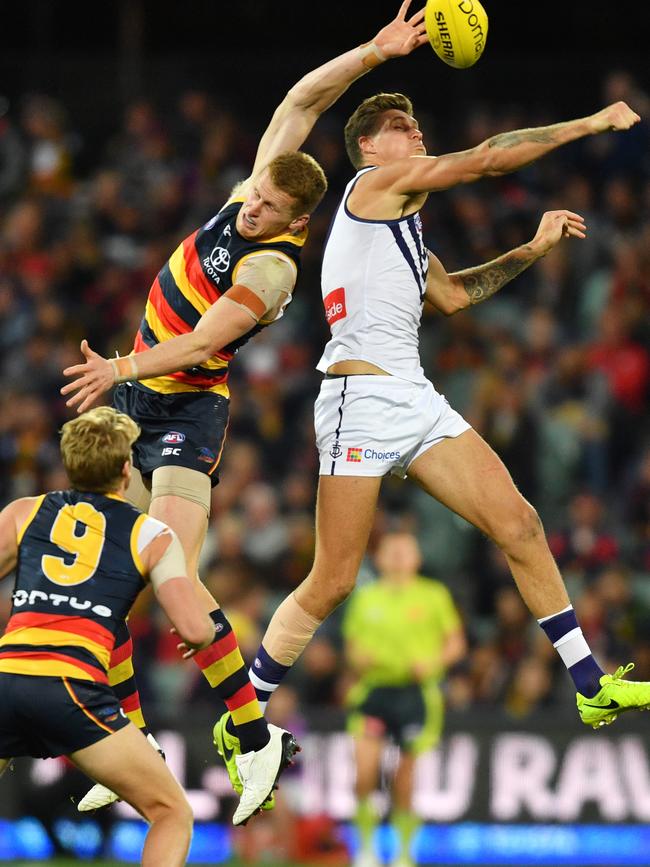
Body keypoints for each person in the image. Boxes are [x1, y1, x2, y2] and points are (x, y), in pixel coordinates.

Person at [60, 1, 430, 810]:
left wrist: (119, 363)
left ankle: (254, 741)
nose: (249, 209)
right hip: (134, 395)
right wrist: (372, 51)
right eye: (253, 195)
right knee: (113, 580)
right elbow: (299, 104)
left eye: (265, 209)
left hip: (186, 415)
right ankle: (135, 734)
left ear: (296, 223)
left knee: (171, 579)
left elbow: (197, 344)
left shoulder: (274, 273)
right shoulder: (257, 191)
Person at [236, 90, 650, 747]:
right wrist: (591, 122)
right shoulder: (374, 184)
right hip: (359, 401)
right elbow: (488, 160)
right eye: (402, 126)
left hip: (414, 397)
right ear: (370, 146)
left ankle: (591, 687)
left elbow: (455, 295)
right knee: (334, 579)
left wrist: (534, 247)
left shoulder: (402, 226)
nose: (418, 131)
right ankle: (243, 715)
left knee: (520, 523)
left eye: (417, 122)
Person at [343, 531, 466, 867]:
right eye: (390, 549)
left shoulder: (433, 595)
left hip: (416, 694)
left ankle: (403, 854)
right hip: (375, 690)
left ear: (417, 558)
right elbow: (352, 646)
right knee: (364, 772)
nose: (397, 555)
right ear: (379, 558)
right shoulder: (366, 597)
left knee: (404, 776)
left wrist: (434, 663)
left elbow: (455, 643)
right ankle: (366, 850)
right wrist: (359, 659)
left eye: (404, 550)